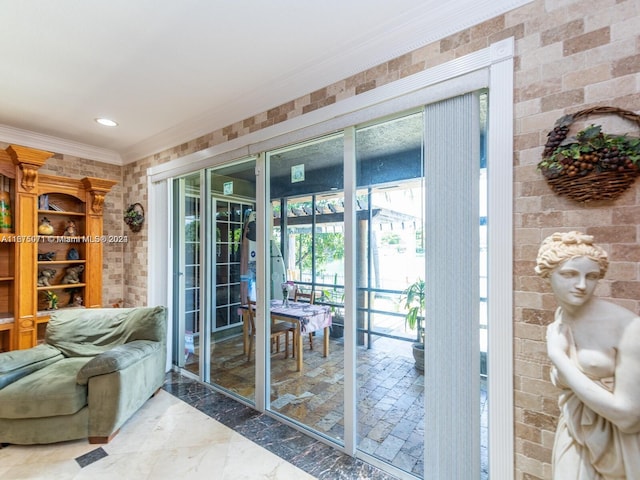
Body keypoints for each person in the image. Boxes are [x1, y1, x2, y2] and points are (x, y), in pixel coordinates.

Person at [535, 231, 640, 478]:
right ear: (548, 274)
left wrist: (558, 357)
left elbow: (628, 417)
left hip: (619, 446)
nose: (582, 285)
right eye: (569, 274)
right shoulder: (562, 314)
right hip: (573, 432)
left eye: (591, 276)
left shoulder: (629, 327)